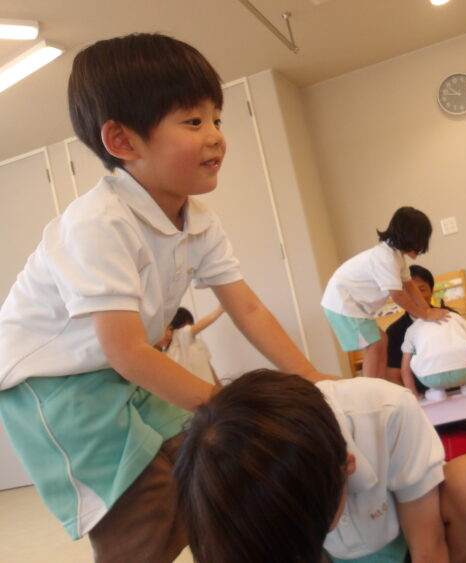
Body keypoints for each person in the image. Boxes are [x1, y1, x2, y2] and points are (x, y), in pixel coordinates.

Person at [0, 33, 329, 562]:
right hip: (54, 384)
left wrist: (313, 378)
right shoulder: (98, 223)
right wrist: (227, 407)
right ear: (123, 141)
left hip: (118, 368)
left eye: (217, 118)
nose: (216, 136)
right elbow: (127, 352)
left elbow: (247, 308)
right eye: (193, 122)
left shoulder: (199, 220)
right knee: (146, 505)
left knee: (207, 470)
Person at [174, 369, 466, 563]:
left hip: (403, 544)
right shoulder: (219, 479)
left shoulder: (388, 411)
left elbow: (428, 546)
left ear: (345, 468)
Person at [321, 207, 448, 379]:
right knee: (375, 344)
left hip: (351, 304)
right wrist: (425, 315)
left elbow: (409, 285)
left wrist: (428, 309)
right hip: (343, 303)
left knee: (381, 341)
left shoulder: (396, 256)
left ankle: (379, 384)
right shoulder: (385, 258)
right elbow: (398, 295)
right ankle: (372, 387)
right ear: (411, 237)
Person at [387, 265, 466, 432]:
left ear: (431, 291)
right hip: (427, 399)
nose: (415, 295)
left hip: (460, 392)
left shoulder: (450, 316)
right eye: (407, 291)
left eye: (422, 289)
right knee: (428, 429)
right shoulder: (395, 331)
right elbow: (395, 375)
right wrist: (415, 403)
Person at [401, 309, 466, 401]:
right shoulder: (454, 317)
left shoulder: (412, 329)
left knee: (417, 354)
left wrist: (415, 395)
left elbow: (405, 370)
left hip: (431, 378)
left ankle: (436, 392)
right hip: (463, 372)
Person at [155, 306, 224, 385]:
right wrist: (219, 310)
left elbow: (209, 366)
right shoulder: (178, 338)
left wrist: (219, 385)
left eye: (170, 329)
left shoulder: (199, 343)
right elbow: (198, 326)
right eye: (186, 327)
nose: (169, 334)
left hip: (211, 386)